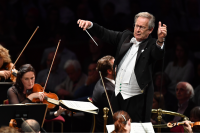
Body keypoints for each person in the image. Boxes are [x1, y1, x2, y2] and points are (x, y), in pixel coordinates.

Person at [78, 12, 167, 122]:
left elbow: (157, 54)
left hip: (137, 98)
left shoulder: (152, 44)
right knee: (116, 127)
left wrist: (160, 40)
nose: (138, 29)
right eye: (136, 26)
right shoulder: (125, 36)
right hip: (118, 94)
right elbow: (105, 33)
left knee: (134, 129)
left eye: (142, 27)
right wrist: (90, 24)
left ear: (150, 30)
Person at [92, 55, 115, 132]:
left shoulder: (103, 82)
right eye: (116, 66)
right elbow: (116, 113)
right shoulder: (107, 91)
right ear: (109, 71)